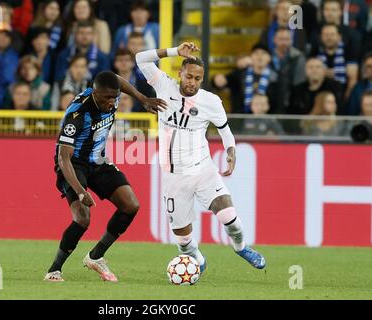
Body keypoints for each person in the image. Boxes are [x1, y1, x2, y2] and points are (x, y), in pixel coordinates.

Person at [136, 42, 266, 272]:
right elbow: (140, 58)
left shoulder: (211, 102)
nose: (192, 82)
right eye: (188, 77)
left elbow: (225, 130)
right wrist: (175, 51)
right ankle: (197, 258)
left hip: (203, 170)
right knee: (183, 240)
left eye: (197, 79)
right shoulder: (163, 85)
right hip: (174, 176)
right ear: (180, 74)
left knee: (229, 216)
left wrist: (231, 151)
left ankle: (241, 247)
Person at [44, 71, 167, 282]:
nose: (112, 102)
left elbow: (117, 80)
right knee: (82, 218)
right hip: (73, 165)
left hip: (98, 160)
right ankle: (54, 270)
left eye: (114, 97)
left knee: (131, 205)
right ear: (94, 92)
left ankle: (96, 256)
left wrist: (142, 98)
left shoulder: (112, 91)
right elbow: (64, 158)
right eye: (106, 98)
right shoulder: (78, 115)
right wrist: (81, 192)